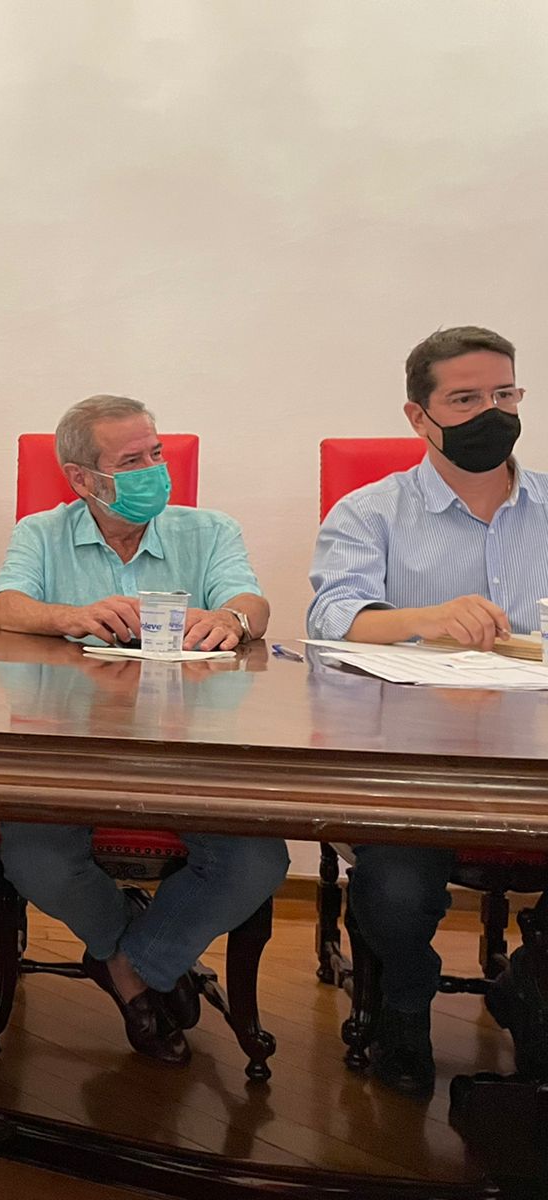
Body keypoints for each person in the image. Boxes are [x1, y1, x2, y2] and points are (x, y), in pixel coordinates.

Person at [0, 394, 287, 1065]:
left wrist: (231, 620)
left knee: (257, 861)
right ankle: (145, 962)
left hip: (190, 752)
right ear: (82, 479)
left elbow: (251, 601)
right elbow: (2, 609)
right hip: (70, 750)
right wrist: (69, 616)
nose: (154, 468)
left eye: (156, 453)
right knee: (35, 857)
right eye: (132, 461)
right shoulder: (42, 532)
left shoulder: (209, 530)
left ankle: (131, 966)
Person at [308, 325, 544, 1097]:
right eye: (466, 399)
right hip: (414, 762)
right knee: (399, 889)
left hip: (534, 761)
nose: (492, 413)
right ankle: (406, 1005)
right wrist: (427, 618)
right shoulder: (370, 512)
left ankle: (532, 983)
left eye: (504, 395)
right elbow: (330, 619)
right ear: (419, 416)